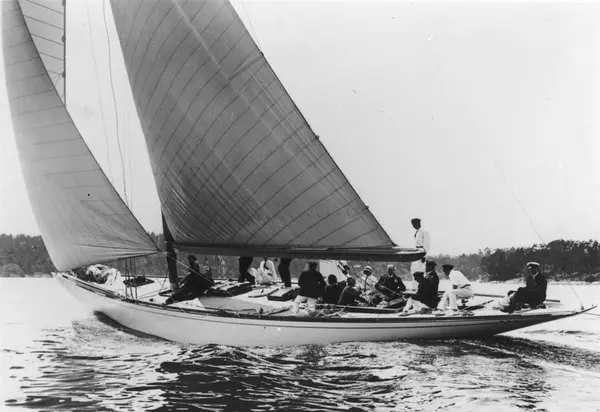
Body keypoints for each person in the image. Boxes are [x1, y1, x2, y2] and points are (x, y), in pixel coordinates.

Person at [410, 218, 430, 286]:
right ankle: (415, 287)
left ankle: (422, 286)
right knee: (413, 270)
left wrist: (424, 255)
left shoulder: (424, 232)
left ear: (418, 223)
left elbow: (426, 245)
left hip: (421, 253)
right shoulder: (417, 232)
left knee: (421, 270)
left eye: (414, 224)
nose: (413, 226)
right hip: (415, 253)